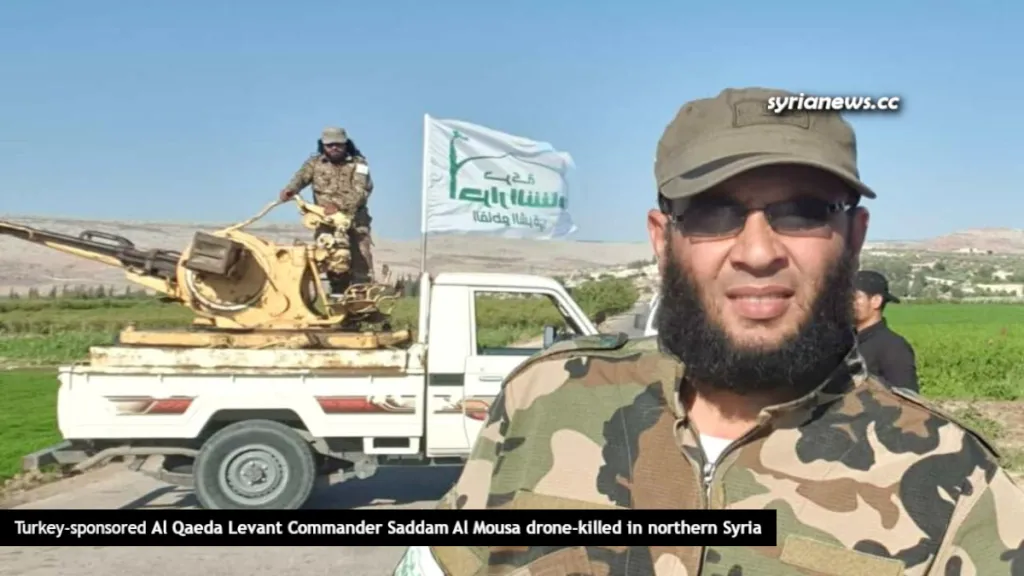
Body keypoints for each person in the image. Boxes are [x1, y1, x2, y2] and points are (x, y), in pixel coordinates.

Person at [392, 87, 1024, 575]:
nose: (758, 252)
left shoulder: (955, 480)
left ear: (853, 239)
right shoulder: (545, 399)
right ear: (662, 239)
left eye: (803, 212)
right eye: (713, 213)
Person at [279, 126, 375, 290]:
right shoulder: (314, 164)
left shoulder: (359, 165)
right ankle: (337, 295)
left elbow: (361, 191)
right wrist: (290, 190)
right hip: (326, 222)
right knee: (331, 259)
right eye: (330, 145)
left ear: (346, 144)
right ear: (323, 145)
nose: (334, 148)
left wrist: (338, 206)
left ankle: (361, 298)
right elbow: (300, 178)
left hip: (356, 222)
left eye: (338, 144)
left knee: (361, 261)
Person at [853, 269, 920, 391]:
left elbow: (906, 398)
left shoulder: (893, 347)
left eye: (854, 297)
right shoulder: (842, 343)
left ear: (876, 301)